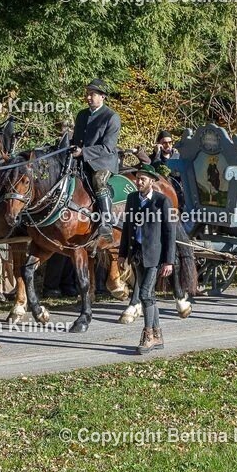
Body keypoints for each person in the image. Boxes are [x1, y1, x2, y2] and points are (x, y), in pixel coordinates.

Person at [117, 164, 175, 355]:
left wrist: (169, 261)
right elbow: (126, 227)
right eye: (137, 178)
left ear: (151, 181)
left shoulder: (161, 201)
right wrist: (122, 254)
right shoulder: (132, 199)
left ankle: (148, 335)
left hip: (155, 256)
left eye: (143, 179)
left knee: (145, 295)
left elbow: (169, 233)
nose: (138, 182)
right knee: (149, 296)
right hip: (137, 254)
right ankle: (158, 335)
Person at [72, 79, 121, 237]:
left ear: (102, 96)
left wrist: (83, 152)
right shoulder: (81, 115)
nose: (88, 97)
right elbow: (76, 140)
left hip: (103, 161)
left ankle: (106, 220)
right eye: (87, 94)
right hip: (79, 158)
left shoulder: (111, 117)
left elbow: (107, 147)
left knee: (99, 181)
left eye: (92, 94)